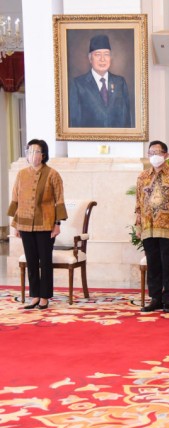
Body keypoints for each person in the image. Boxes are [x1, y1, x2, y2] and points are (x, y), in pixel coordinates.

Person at [7, 139, 67, 310]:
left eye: (36, 151)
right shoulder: (21, 174)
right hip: (25, 224)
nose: (32, 154)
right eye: (29, 151)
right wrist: (15, 225)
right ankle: (34, 295)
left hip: (46, 224)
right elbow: (15, 199)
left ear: (43, 155)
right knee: (31, 261)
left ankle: (44, 296)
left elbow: (59, 200)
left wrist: (57, 224)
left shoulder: (53, 174)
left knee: (45, 261)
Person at [135, 141, 169, 313]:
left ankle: (167, 300)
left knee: (167, 264)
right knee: (153, 263)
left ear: (166, 155)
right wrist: (138, 224)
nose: (155, 155)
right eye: (151, 152)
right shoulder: (143, 176)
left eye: (158, 152)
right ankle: (155, 298)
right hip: (148, 227)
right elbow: (138, 203)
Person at [68, 34, 132, 128]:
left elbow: (127, 120)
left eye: (106, 54)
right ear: (90, 58)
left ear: (110, 58)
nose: (102, 59)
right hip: (88, 141)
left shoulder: (120, 83)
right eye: (97, 54)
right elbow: (75, 121)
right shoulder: (78, 84)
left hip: (118, 141)